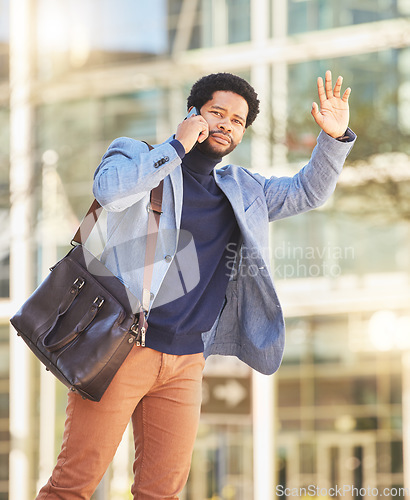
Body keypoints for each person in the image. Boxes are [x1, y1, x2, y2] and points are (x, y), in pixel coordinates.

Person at [37, 71, 355, 499]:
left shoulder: (242, 189)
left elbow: (307, 192)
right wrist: (176, 146)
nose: (226, 124)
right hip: (120, 349)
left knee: (161, 492)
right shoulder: (139, 154)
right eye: (217, 112)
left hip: (186, 361)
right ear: (193, 113)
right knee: (73, 485)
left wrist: (333, 140)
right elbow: (109, 191)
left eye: (237, 120)